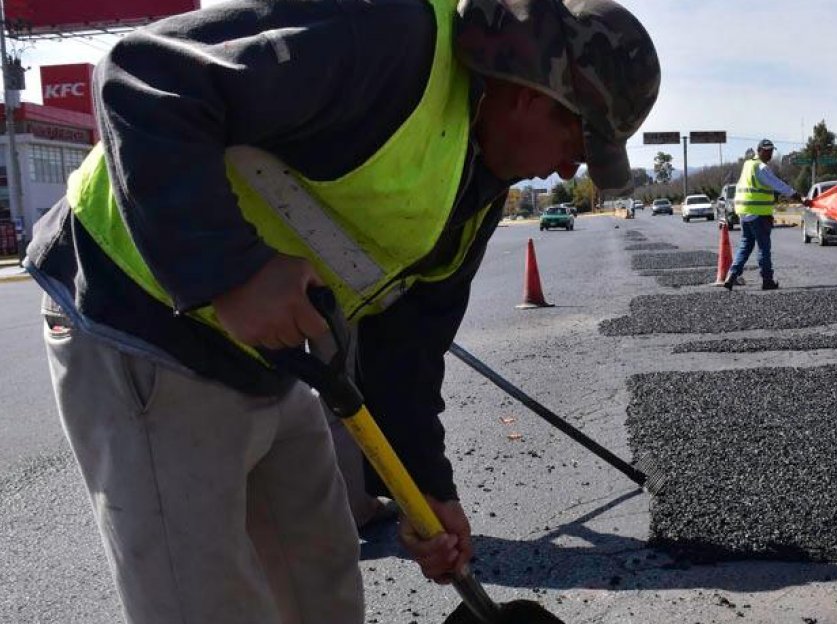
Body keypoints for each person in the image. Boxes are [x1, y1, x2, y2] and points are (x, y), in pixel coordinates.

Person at [22, 0, 659, 622]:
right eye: (578, 138)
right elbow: (146, 78)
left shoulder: (479, 183)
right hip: (139, 321)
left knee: (320, 576)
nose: (570, 167)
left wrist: (430, 493)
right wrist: (228, 273)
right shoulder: (383, 33)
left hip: (269, 359)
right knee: (203, 598)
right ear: (532, 93)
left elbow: (407, 351)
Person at [723, 139, 807, 291]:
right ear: (759, 151)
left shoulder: (748, 164)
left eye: (771, 151)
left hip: (743, 212)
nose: (770, 154)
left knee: (745, 245)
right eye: (767, 151)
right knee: (763, 248)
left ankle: (731, 276)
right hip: (758, 214)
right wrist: (795, 195)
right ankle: (767, 280)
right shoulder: (761, 168)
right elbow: (777, 184)